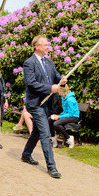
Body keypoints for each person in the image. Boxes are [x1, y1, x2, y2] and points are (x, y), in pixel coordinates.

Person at [21, 35, 67, 179]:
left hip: (48, 103)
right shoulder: (29, 63)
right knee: (45, 133)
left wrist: (62, 80)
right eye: (45, 45)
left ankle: (26, 154)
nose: (48, 47)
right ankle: (52, 167)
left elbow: (56, 77)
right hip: (36, 104)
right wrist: (49, 88)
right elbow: (32, 83)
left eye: (48, 44)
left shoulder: (49, 62)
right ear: (36, 46)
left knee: (37, 131)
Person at [48, 84, 80, 148]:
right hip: (68, 115)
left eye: (57, 90)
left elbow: (70, 114)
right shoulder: (64, 98)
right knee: (50, 119)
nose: (57, 91)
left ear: (60, 90)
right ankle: (54, 137)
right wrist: (57, 115)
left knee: (56, 124)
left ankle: (69, 138)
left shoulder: (69, 100)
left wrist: (59, 117)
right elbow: (66, 112)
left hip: (74, 117)